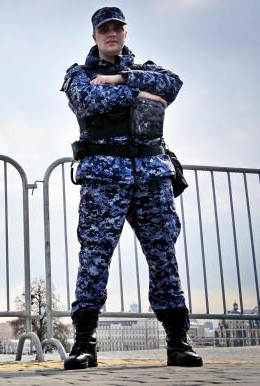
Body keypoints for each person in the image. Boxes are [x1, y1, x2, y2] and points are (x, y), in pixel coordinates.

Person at [61, 7, 202, 370]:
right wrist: (139, 91)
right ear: (94, 36)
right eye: (104, 29)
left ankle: (177, 341)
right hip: (104, 178)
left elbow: (172, 85)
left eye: (117, 28)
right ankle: (84, 343)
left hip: (152, 177)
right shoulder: (80, 75)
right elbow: (87, 101)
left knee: (163, 258)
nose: (111, 33)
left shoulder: (149, 69)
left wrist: (118, 80)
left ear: (125, 33)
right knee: (94, 259)